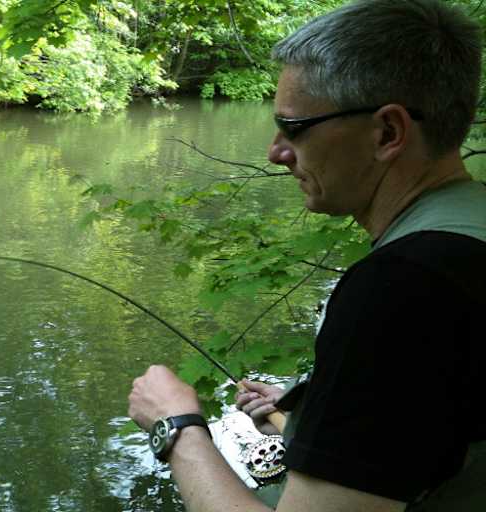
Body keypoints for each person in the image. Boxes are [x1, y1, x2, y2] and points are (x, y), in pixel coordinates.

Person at [127, 0, 486, 510]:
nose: (276, 151)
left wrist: (177, 425)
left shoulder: (403, 288)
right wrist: (315, 412)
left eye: (294, 128)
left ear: (388, 133)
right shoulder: (469, 236)